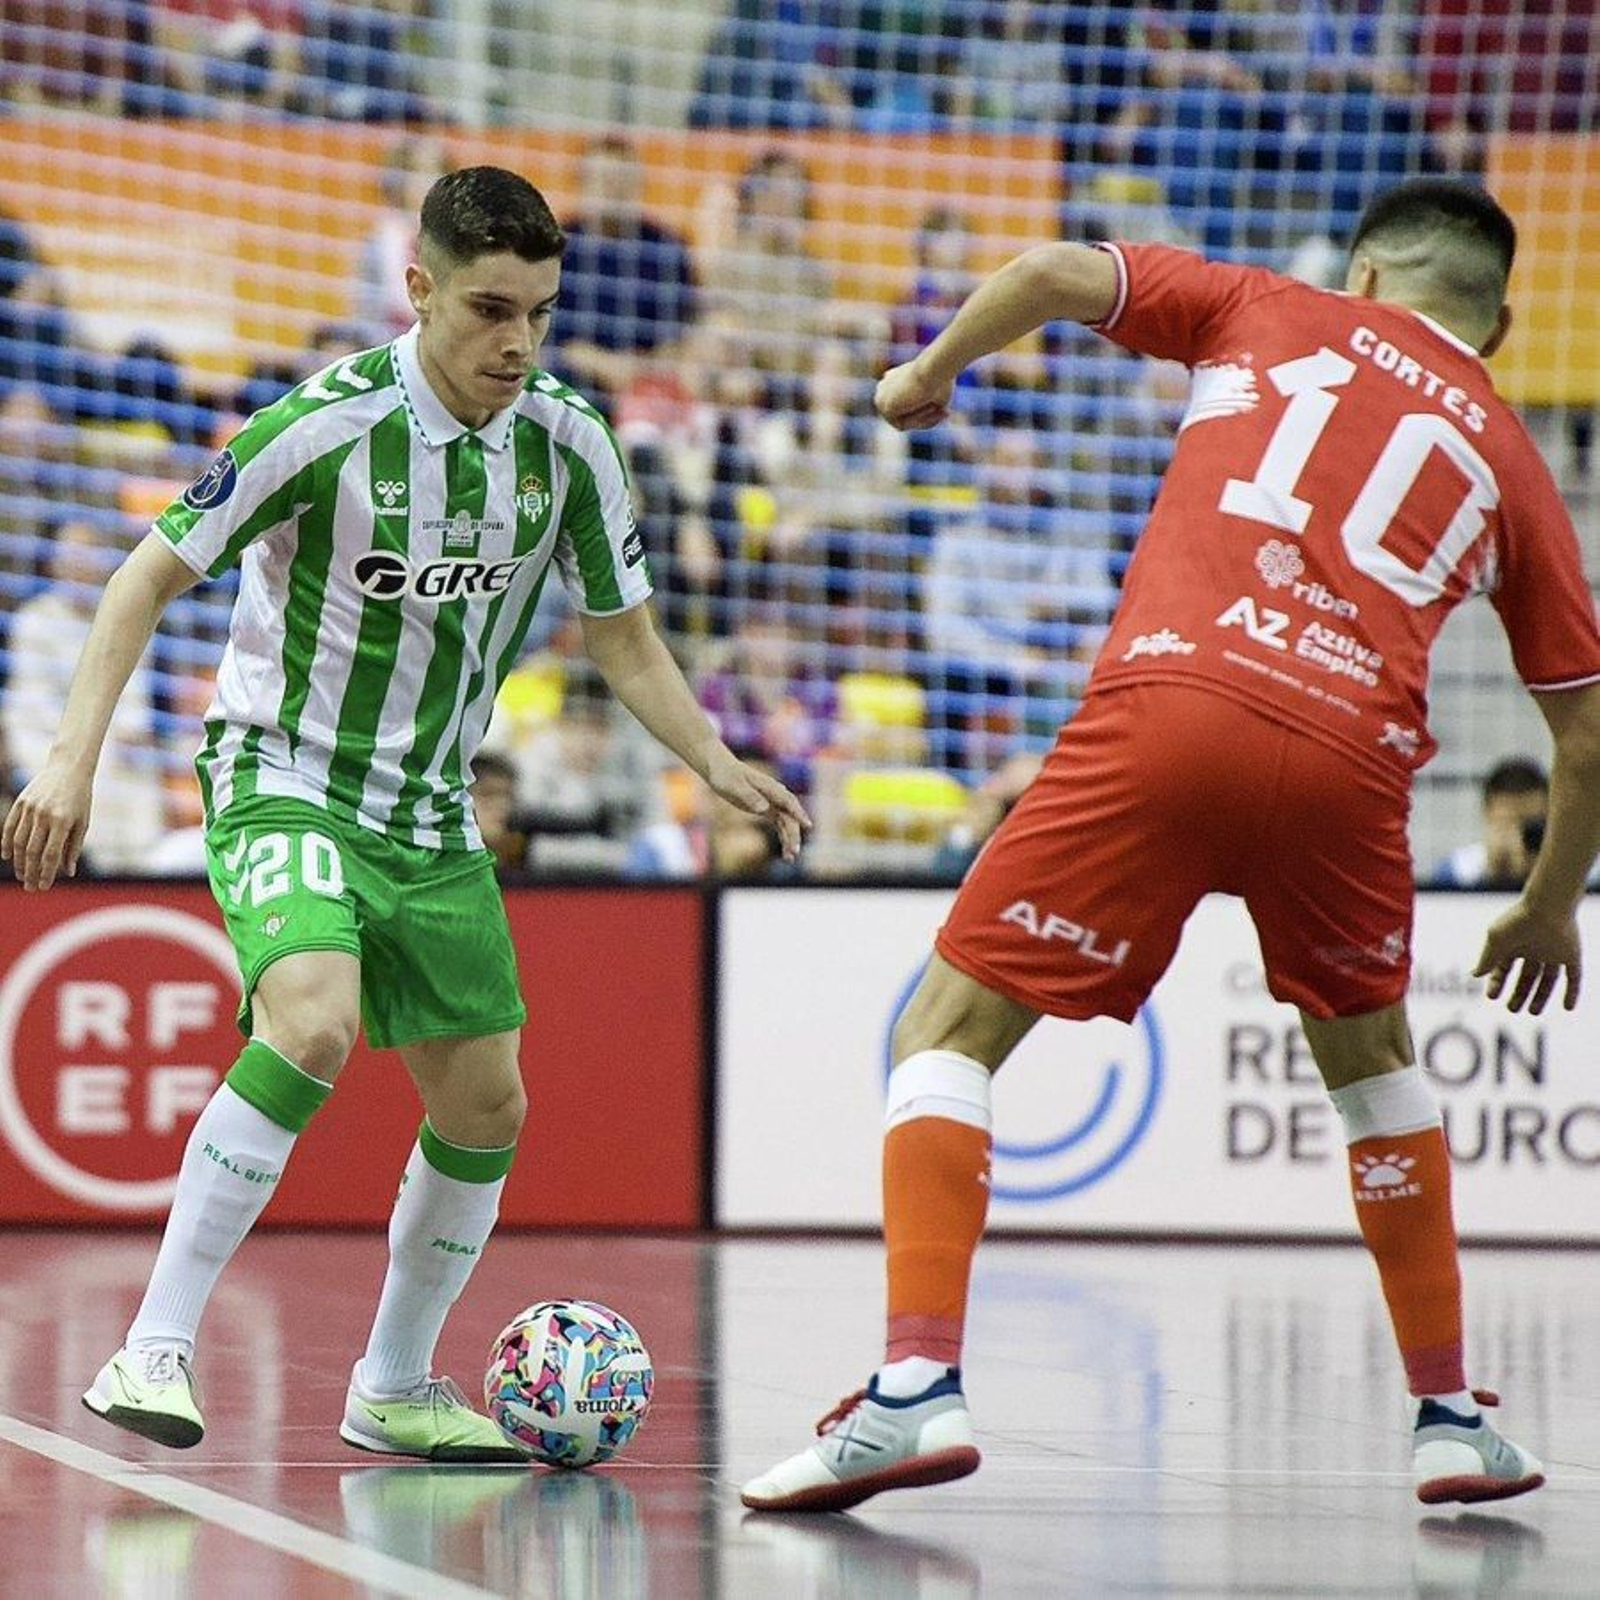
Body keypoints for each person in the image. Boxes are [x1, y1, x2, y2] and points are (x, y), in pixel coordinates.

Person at [742, 178, 1600, 1514]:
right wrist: (1547, 906)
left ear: (1367, 277)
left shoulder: (1261, 303)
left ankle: (914, 1386)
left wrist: (927, 372)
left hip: (1175, 705)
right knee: (1376, 1072)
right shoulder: (1510, 453)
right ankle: (1445, 1416)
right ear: (1493, 328)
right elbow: (1585, 733)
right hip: (1352, 764)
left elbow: (1046, 271)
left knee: (945, 1032)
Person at [2, 165, 808, 1462]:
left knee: (488, 1106)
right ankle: (153, 1344)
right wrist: (67, 763)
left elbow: (625, 638)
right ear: (420, 288)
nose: (519, 342)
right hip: (285, 775)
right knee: (313, 1019)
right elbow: (142, 578)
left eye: (539, 313)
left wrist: (714, 757)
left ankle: (391, 1385)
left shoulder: (570, 444)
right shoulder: (322, 426)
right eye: (490, 309)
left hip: (431, 814)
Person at [1430, 757, 1549, 889]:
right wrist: (1491, 875)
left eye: (1529, 825)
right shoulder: (1457, 870)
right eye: (1506, 823)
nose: (1516, 836)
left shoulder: (1560, 871)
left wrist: (1532, 874)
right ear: (1487, 812)